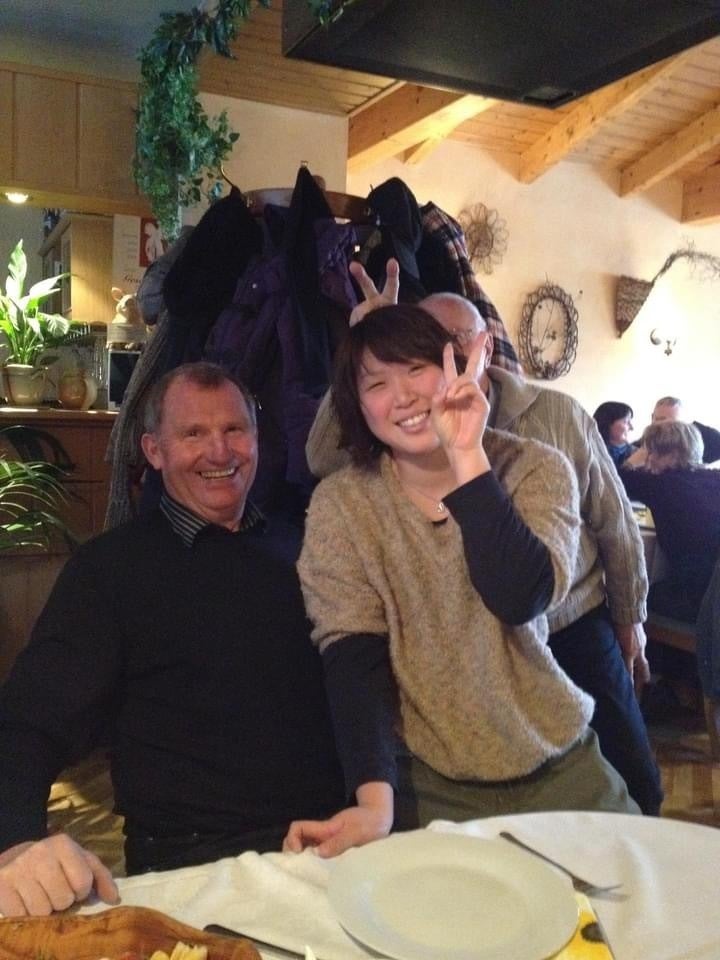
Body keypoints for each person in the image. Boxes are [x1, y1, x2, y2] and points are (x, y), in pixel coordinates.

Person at [306, 261, 662, 816]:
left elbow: (533, 586)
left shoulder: (541, 452)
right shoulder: (343, 503)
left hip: (560, 671)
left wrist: (465, 454)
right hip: (428, 760)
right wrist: (373, 800)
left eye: (417, 367)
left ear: (472, 355)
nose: (402, 395)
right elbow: (354, 657)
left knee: (636, 808)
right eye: (377, 382)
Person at [0, 362, 348, 917]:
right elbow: (28, 723)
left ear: (257, 439)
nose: (220, 451)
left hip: (329, 843)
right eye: (193, 434)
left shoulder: (308, 547)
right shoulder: (109, 572)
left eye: (234, 430)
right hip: (193, 864)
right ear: (154, 451)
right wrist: (15, 844)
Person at [620, 420, 720, 623]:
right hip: (712, 589)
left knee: (630, 599)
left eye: (654, 452)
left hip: (699, 597)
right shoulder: (715, 477)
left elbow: (613, 480)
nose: (649, 458)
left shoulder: (661, 484)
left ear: (674, 455)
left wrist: (632, 461)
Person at [647, 396, 720, 464]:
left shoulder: (709, 437)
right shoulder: (646, 442)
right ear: (652, 418)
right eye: (660, 420)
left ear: (685, 422)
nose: (667, 427)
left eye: (675, 423)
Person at [592, 401, 636, 467]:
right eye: (626, 422)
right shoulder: (589, 452)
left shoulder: (636, 454)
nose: (631, 428)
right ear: (607, 423)